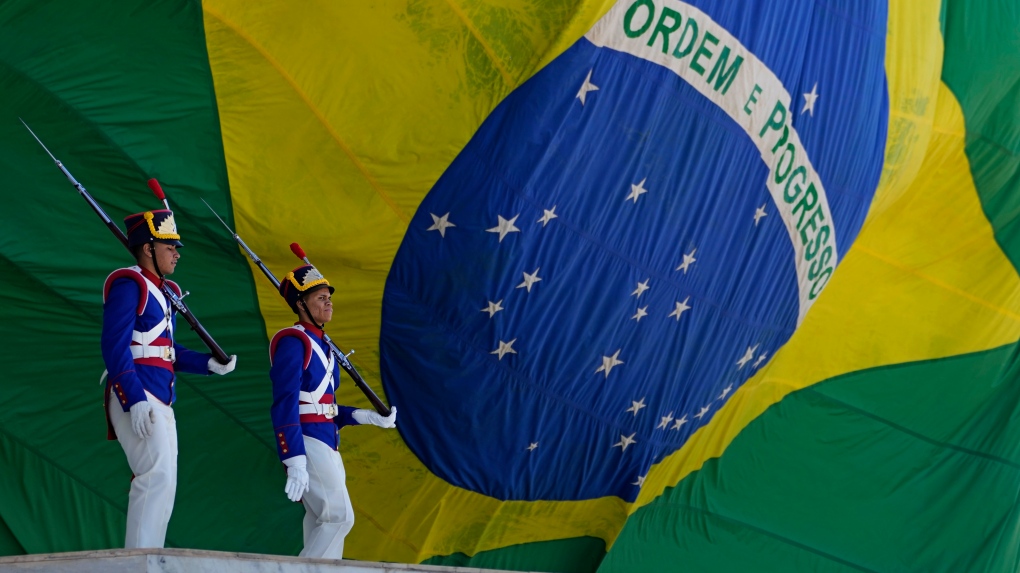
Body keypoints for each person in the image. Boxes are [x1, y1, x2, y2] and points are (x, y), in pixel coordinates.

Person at [101, 206, 237, 548]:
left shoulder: (164, 290)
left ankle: (150, 555)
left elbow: (166, 350)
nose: (176, 253)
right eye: (169, 246)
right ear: (148, 249)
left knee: (165, 482)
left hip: (160, 395)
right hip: (137, 393)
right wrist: (134, 399)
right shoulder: (129, 283)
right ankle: (140, 562)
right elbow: (114, 346)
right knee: (154, 477)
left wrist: (208, 363)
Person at [270, 262, 397, 559]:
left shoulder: (324, 346)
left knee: (320, 525)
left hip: (329, 442)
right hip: (308, 441)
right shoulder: (293, 341)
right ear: (301, 304)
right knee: (339, 517)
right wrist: (294, 457)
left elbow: (324, 406)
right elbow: (285, 401)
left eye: (329, 297)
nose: (328, 302)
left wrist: (365, 416)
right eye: (320, 298)